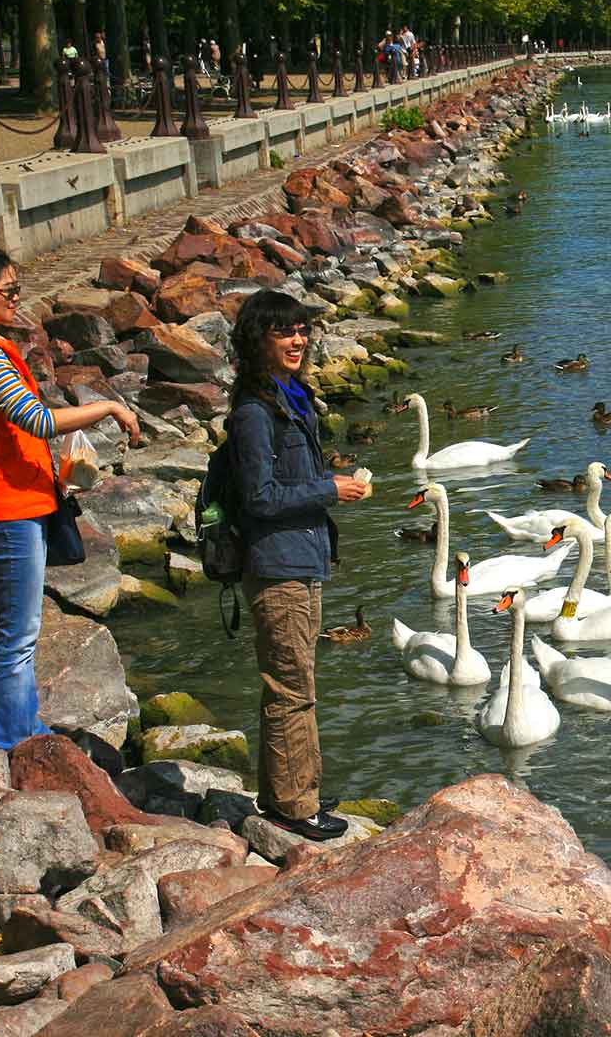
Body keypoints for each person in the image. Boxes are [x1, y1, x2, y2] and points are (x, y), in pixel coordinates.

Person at [0, 245, 140, 750]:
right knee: (18, 633)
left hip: (15, 498)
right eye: (7, 292)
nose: (16, 300)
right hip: (6, 505)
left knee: (21, 627)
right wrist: (109, 407)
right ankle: (10, 739)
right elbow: (37, 418)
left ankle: (24, 727)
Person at [225, 290, 369, 840]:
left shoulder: (292, 401)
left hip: (302, 561)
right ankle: (294, 807)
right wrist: (327, 488)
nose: (298, 340)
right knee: (291, 687)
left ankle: (289, 789)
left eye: (303, 330)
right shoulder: (253, 415)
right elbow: (259, 498)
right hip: (276, 565)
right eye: (284, 331)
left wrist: (325, 487)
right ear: (258, 340)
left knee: (296, 681)